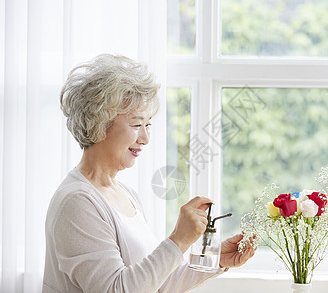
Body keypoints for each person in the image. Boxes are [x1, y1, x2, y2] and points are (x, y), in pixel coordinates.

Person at [42, 54, 255, 293]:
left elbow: (155, 283)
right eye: (136, 125)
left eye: (148, 124)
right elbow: (117, 289)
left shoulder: (125, 193)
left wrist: (214, 260)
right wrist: (179, 239)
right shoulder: (77, 202)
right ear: (99, 124)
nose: (145, 138)